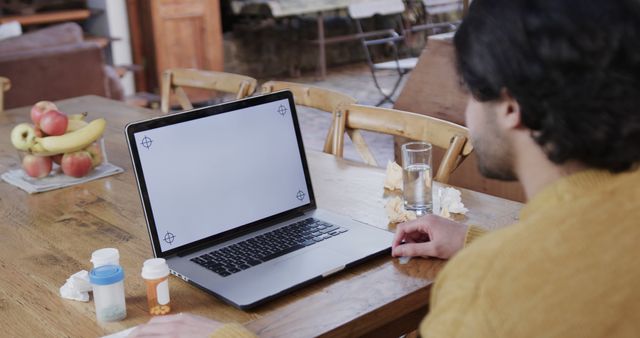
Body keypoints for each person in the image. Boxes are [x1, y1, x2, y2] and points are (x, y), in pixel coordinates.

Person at [130, 0, 640, 336]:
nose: (464, 112)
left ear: (511, 107)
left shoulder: (491, 290)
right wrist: (472, 241)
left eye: (468, 91)